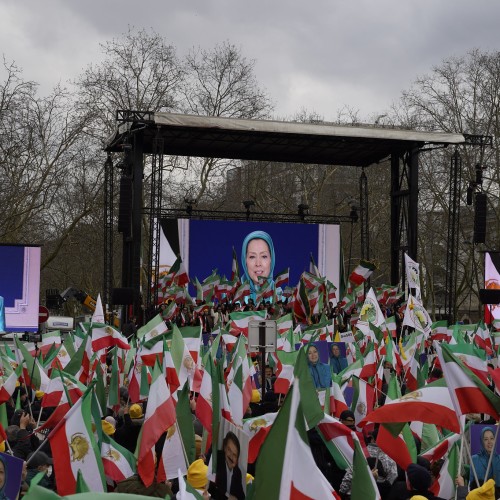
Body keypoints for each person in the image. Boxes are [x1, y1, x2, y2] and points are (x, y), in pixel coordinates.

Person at [241, 231, 275, 303]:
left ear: (271, 259)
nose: (258, 263)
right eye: (252, 257)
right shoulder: (232, 298)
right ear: (245, 261)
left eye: (264, 256)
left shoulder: (283, 298)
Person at [214, 431, 245, 500]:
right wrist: (228, 496)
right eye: (229, 450)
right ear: (224, 448)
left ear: (237, 459)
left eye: (234, 455)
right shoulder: (217, 459)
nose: (231, 456)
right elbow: (213, 488)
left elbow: (241, 496)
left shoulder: (237, 472)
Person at [470, 426, 500, 492]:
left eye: (492, 438)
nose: (489, 442)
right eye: (486, 439)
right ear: (482, 441)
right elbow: (471, 485)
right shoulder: (474, 459)